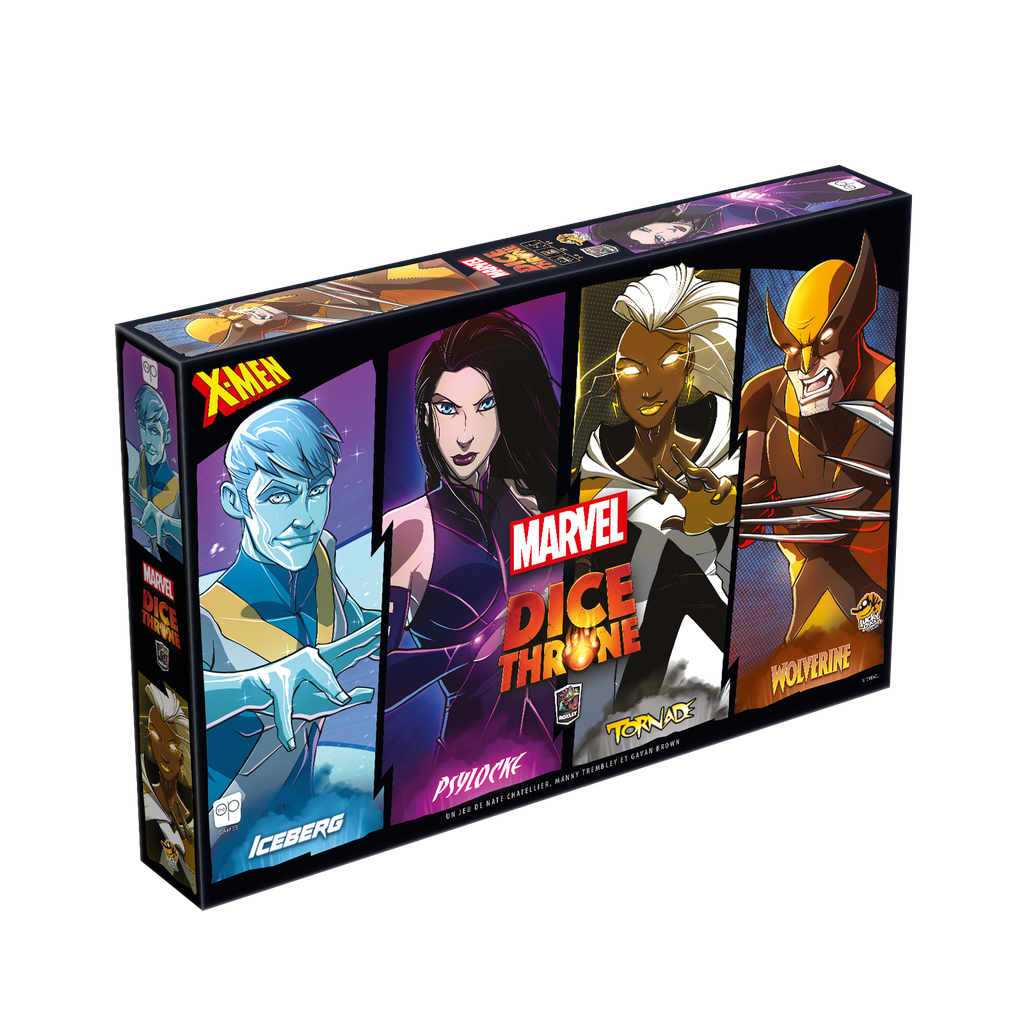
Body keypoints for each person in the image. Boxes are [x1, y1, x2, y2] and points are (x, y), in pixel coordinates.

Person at [383, 311, 561, 813]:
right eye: (448, 408)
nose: (464, 434)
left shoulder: (537, 504)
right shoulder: (410, 530)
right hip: (470, 770)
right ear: (427, 415)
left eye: (483, 406)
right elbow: (372, 678)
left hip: (560, 750)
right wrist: (468, 652)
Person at [199, 398, 381, 874]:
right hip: (221, 844)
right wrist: (253, 686)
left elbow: (354, 618)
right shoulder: (210, 619)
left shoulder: (319, 557)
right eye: (279, 497)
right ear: (235, 501)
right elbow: (172, 699)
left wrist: (401, 623)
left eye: (317, 491)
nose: (304, 517)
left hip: (310, 830)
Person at [573, 264, 739, 761]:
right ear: (614, 379)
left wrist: (720, 519)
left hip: (718, 652)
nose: (648, 385)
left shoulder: (724, 440)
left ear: (689, 367)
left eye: (667, 361)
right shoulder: (599, 466)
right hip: (627, 660)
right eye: (630, 368)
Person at [738, 231, 894, 651]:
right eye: (791, 348)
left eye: (823, 343)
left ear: (854, 327)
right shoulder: (764, 395)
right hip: (816, 599)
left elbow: (839, 513)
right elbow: (747, 512)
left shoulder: (889, 389)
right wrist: (726, 503)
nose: (806, 365)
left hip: (872, 589)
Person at [141, 683, 196, 893]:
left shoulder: (192, 805)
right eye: (155, 736)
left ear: (183, 754)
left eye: (172, 745)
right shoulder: (147, 797)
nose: (163, 754)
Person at [130, 385, 183, 561]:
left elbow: (197, 535)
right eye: (143, 428)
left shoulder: (178, 490)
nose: (147, 441)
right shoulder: (144, 456)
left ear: (166, 436)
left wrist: (168, 523)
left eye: (153, 431)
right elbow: (136, 482)